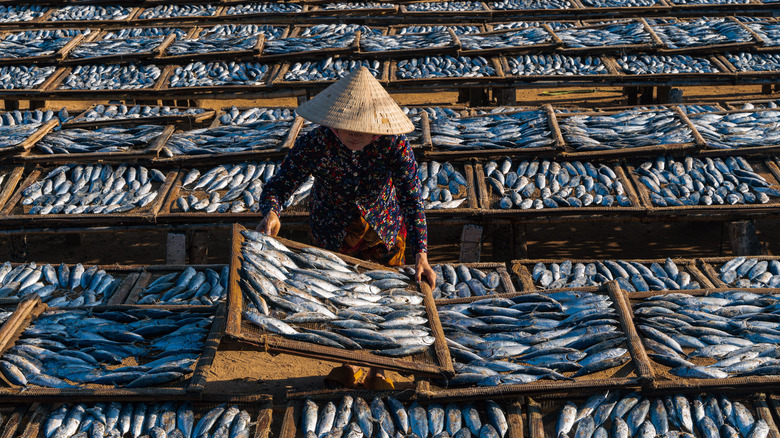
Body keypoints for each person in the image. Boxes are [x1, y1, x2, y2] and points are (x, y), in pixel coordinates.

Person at [255, 67, 436, 389]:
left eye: (361, 129)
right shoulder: (316, 143)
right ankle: (347, 362)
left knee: (385, 301)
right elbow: (279, 186)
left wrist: (421, 253)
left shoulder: (394, 146)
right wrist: (272, 212)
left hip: (383, 232)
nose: (352, 134)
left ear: (377, 128)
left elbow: (412, 200)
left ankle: (380, 368)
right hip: (331, 230)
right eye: (344, 127)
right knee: (337, 299)